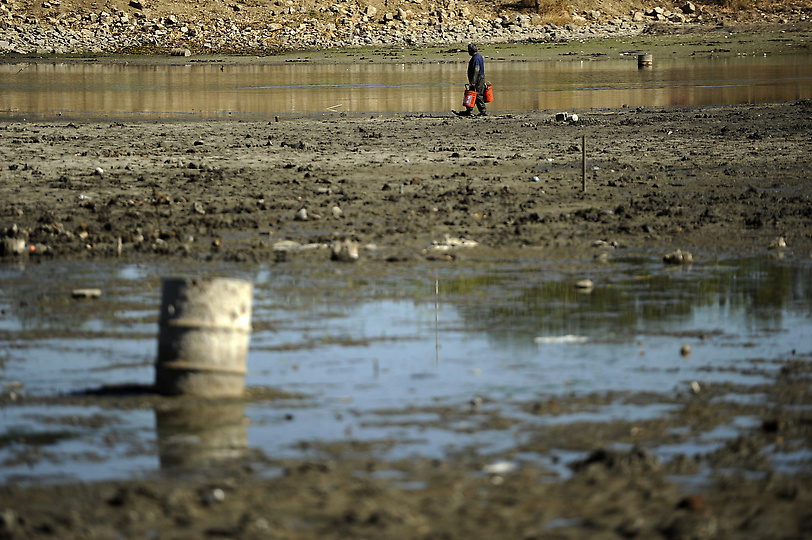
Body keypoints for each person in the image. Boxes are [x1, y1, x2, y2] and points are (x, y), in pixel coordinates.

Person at [457, 43, 487, 117]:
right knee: (471, 95)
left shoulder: (476, 58)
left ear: (470, 50)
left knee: (478, 95)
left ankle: (483, 111)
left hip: (477, 79)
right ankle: (468, 111)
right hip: (480, 78)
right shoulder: (479, 56)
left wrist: (473, 82)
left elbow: (476, 69)